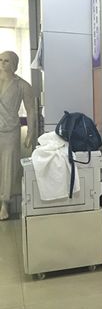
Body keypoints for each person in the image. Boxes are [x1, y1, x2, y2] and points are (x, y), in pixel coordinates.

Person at [0, 51, 36, 220]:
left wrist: (30, 133)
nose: (2, 63)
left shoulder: (22, 85)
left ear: (14, 64)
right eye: (0, 60)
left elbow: (31, 110)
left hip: (10, 131)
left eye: (6, 61)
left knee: (9, 167)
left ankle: (4, 204)